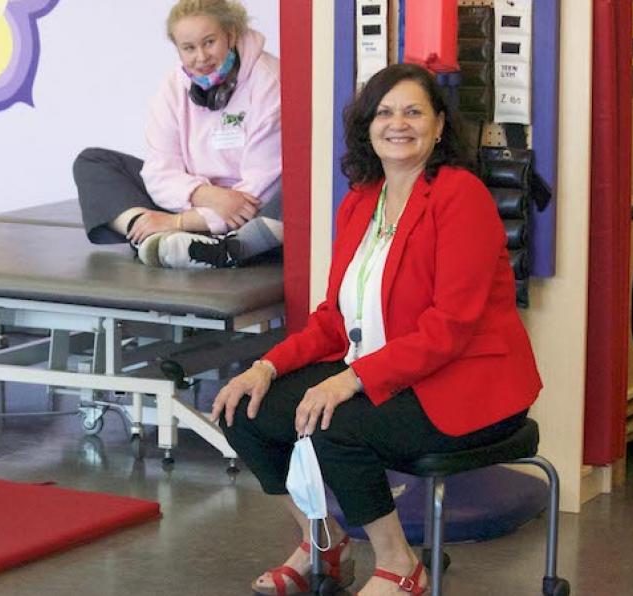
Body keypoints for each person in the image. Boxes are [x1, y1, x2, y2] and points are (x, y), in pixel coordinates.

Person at [210, 63, 541, 596]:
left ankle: (400, 565)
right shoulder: (361, 200)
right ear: (367, 126)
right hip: (386, 372)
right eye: (385, 112)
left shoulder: (461, 196)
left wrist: (348, 380)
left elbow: (450, 329)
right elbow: (333, 319)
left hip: (468, 386)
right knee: (243, 409)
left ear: (438, 126)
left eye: (414, 111)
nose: (398, 123)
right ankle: (323, 544)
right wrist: (264, 367)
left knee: (332, 424)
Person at [73, 0, 283, 270]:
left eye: (209, 42)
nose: (201, 57)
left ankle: (227, 248)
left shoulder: (269, 81)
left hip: (248, 214)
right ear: (178, 49)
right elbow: (159, 171)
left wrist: (180, 222)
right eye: (189, 48)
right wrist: (203, 195)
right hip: (198, 204)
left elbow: (260, 188)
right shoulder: (173, 86)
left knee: (295, 189)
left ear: (230, 35)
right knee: (93, 162)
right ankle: (149, 235)